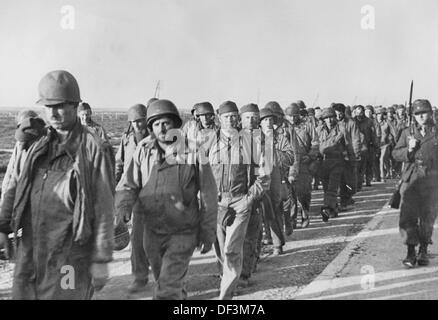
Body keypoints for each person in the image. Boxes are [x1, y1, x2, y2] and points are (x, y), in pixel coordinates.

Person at [0, 70, 115, 299]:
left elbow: (104, 207)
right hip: (31, 249)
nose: (53, 112)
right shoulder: (37, 143)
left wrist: (101, 258)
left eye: (60, 105)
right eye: (48, 106)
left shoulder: (93, 148)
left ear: (75, 105)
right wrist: (3, 226)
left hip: (70, 254)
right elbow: (14, 184)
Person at [115, 99, 218, 299]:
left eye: (166, 123)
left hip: (183, 232)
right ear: (151, 128)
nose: (161, 128)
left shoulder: (194, 151)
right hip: (152, 232)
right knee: (166, 281)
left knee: (166, 290)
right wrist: (123, 208)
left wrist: (208, 231)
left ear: (175, 124)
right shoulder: (143, 150)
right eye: (156, 124)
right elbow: (128, 185)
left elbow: (208, 195)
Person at [210, 101, 270, 300]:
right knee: (219, 247)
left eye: (234, 116)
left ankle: (226, 295)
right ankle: (227, 278)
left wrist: (248, 198)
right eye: (226, 116)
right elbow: (201, 172)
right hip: (217, 202)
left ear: (238, 118)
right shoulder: (210, 141)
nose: (230, 120)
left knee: (232, 248)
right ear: (219, 119)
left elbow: (264, 175)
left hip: (240, 202)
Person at [392, 99, 438, 268]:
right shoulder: (407, 132)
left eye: (424, 113)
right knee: (408, 215)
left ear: (431, 113)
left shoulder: (437, 131)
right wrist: (408, 150)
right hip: (411, 177)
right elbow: (395, 153)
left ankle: (424, 250)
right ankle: (411, 252)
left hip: (433, 178)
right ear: (413, 116)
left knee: (428, 215)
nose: (421, 117)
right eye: (417, 114)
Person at [114, 103, 152, 294]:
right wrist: (115, 185)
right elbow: (119, 163)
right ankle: (140, 277)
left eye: (140, 120)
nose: (137, 125)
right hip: (133, 194)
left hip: (156, 194)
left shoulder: (158, 138)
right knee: (137, 239)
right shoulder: (127, 139)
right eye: (133, 122)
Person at [266, 101, 300, 233]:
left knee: (288, 197)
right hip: (269, 169)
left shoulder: (287, 128)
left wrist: (293, 172)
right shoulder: (263, 128)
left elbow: (295, 152)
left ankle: (290, 220)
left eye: (275, 116)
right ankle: (272, 230)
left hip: (285, 168)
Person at [288, 103, 319, 227]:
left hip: (304, 164)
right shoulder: (284, 128)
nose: (292, 119)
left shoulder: (307, 126)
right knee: (290, 194)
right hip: (289, 163)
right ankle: (292, 218)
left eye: (295, 116)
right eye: (290, 116)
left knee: (304, 192)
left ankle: (305, 215)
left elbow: (315, 142)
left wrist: (311, 155)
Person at [317, 108, 348, 220]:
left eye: (331, 117)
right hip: (323, 162)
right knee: (326, 188)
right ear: (323, 119)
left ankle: (327, 208)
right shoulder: (319, 130)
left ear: (335, 118)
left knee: (332, 187)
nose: (329, 120)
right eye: (326, 118)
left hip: (337, 161)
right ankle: (333, 209)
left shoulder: (341, 129)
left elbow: (348, 144)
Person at [332, 103, 362, 211]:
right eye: (336, 114)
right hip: (336, 156)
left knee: (349, 180)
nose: (338, 116)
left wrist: (356, 154)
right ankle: (342, 201)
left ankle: (348, 197)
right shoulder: (332, 123)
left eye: (340, 114)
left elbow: (356, 139)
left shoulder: (350, 123)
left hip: (349, 156)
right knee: (339, 180)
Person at [355, 105, 379, 189]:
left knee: (369, 164)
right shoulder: (353, 122)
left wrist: (376, 145)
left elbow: (373, 133)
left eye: (360, 112)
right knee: (359, 166)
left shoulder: (369, 121)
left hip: (368, 145)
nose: (359, 114)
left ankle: (368, 180)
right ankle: (359, 182)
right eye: (357, 113)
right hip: (357, 146)